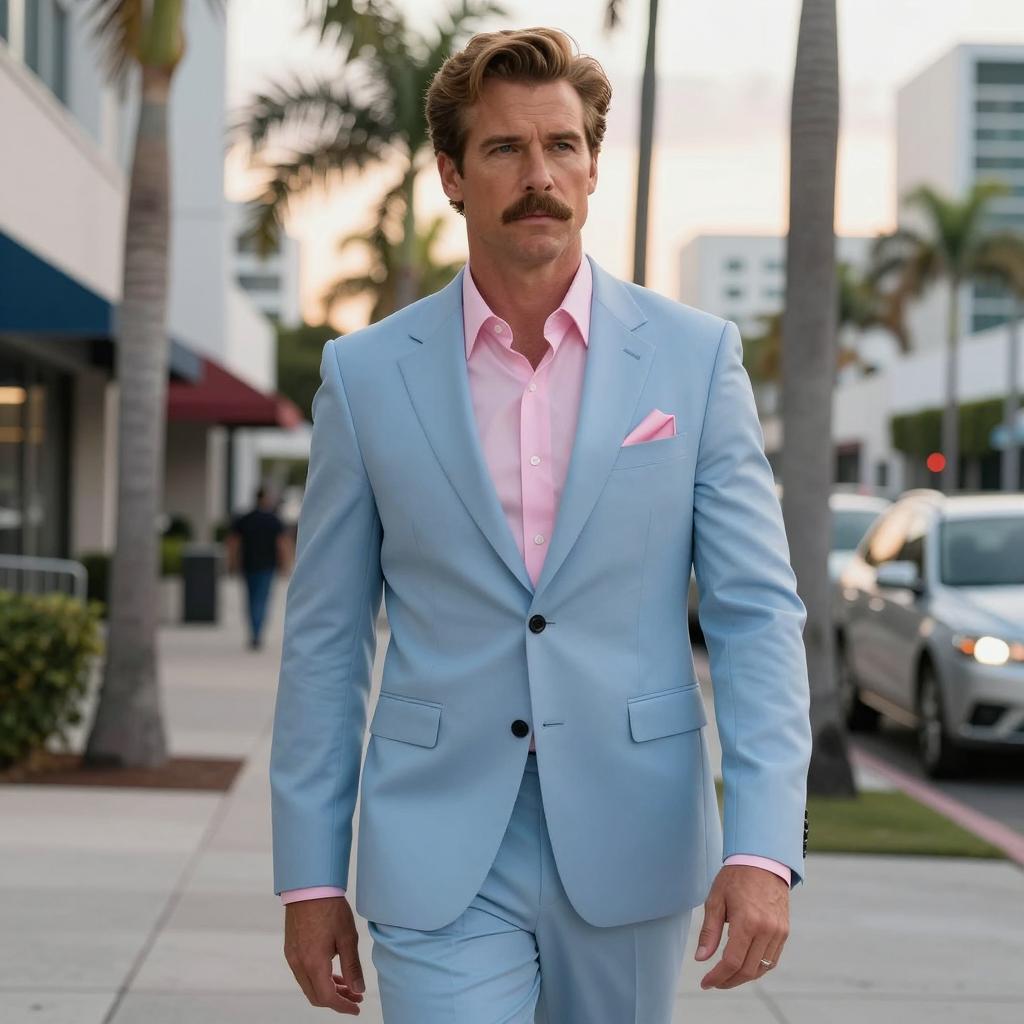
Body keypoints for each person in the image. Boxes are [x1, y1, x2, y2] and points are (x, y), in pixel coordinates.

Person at [270, 26, 812, 1023]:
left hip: (632, 830)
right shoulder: (365, 374)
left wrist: (763, 843)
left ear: (594, 166)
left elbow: (754, 615)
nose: (539, 175)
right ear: (451, 174)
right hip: (436, 840)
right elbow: (324, 638)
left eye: (562, 146)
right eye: (505, 149)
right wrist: (308, 876)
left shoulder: (694, 361)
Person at [226, 485, 292, 650]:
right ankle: (257, 633)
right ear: (266, 498)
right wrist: (285, 564)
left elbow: (233, 543)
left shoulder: (244, 518)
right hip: (267, 566)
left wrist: (232, 563)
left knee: (250, 600)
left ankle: (254, 633)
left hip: (249, 565)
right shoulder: (273, 520)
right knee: (261, 600)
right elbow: (282, 544)